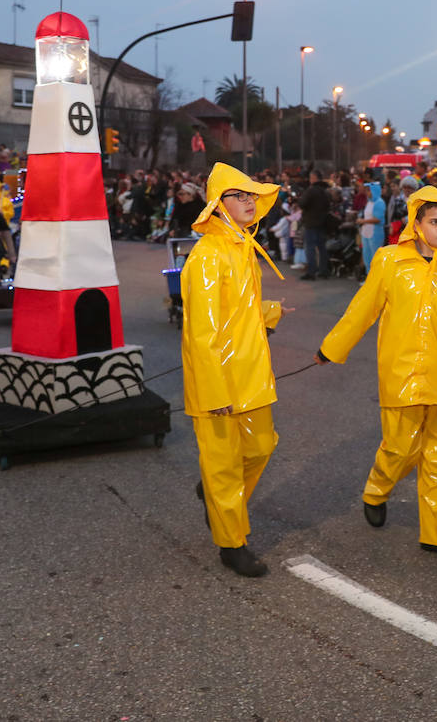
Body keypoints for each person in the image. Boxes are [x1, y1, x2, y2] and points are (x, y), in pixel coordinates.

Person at [315, 186, 437, 563]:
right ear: (417, 223)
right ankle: (377, 490)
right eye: (435, 221)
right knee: (400, 447)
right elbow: (362, 309)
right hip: (400, 373)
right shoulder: (390, 261)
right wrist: (331, 348)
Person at [181, 163, 291, 578]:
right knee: (225, 464)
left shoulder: (241, 248)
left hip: (251, 376)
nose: (249, 202)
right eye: (240, 195)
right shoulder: (207, 256)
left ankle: (214, 493)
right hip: (220, 381)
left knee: (262, 447)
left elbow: (237, 312)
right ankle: (232, 542)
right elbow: (201, 334)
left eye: (251, 196)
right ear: (218, 205)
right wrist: (214, 391)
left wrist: (271, 311)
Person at [298, 169, 331, 280]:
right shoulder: (325, 190)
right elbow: (328, 205)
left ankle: (311, 272)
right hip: (323, 222)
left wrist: (300, 199)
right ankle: (324, 270)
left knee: (310, 248)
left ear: (314, 178)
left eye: (311, 177)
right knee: (322, 248)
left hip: (311, 222)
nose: (310, 180)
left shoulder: (311, 190)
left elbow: (302, 203)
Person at [357, 179, 386, 274]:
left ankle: (376, 281)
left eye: (369, 190)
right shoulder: (369, 202)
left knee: (375, 259)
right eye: (366, 190)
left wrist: (363, 221)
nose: (367, 192)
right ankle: (369, 279)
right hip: (366, 233)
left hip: (375, 234)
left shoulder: (379, 202)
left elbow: (378, 219)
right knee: (367, 257)